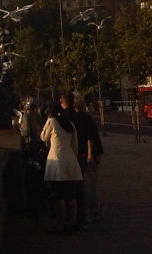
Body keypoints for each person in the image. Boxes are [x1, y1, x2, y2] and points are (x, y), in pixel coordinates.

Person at [39, 101, 82, 233]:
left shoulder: (52, 122)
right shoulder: (70, 125)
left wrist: (47, 121)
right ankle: (72, 221)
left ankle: (61, 222)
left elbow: (43, 137)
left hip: (57, 160)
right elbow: (75, 145)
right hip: (70, 159)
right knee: (70, 193)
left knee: (59, 193)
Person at [69, 92, 104, 224]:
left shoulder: (80, 118)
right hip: (92, 154)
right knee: (91, 184)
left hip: (88, 155)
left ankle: (94, 211)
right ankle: (96, 210)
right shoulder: (87, 117)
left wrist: (90, 155)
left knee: (89, 185)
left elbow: (90, 137)